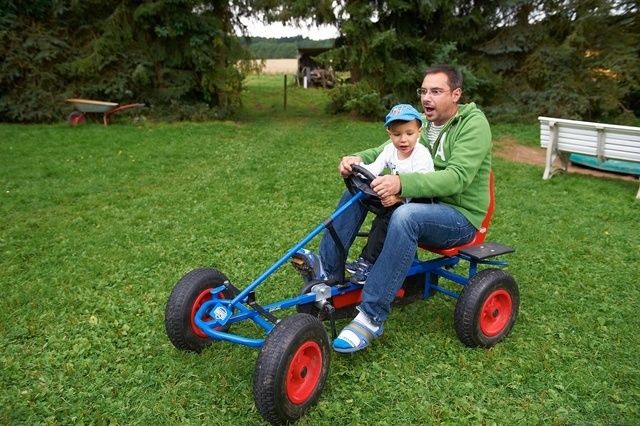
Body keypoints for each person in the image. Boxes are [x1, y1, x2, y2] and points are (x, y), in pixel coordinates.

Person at [294, 64, 492, 354]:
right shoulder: (424, 125)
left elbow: (457, 178)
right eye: (423, 91)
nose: (427, 98)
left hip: (459, 217)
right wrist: (356, 158)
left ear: (456, 94)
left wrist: (401, 183)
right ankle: (329, 274)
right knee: (361, 192)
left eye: (436, 91)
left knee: (405, 215)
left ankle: (371, 316)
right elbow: (385, 149)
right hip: (425, 204)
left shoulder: (473, 125)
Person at [345, 104, 434, 285]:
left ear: (419, 131)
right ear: (389, 134)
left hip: (420, 202)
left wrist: (400, 198)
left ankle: (368, 263)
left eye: (409, 133)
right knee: (380, 217)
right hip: (397, 197)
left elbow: (424, 185)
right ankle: (365, 259)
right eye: (397, 134)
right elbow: (374, 169)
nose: (403, 139)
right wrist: (356, 169)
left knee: (385, 220)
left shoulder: (421, 155)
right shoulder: (389, 151)